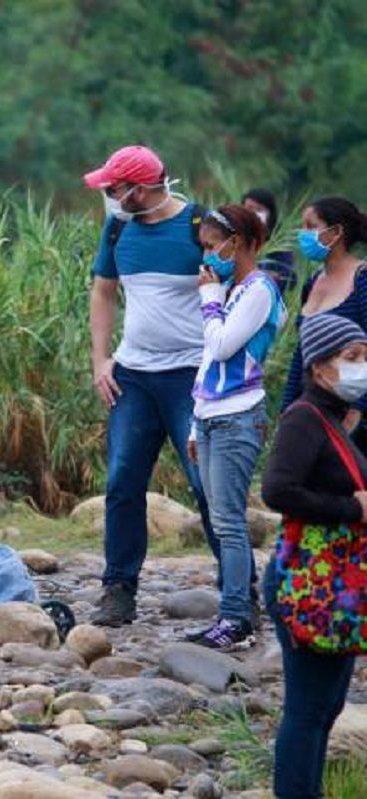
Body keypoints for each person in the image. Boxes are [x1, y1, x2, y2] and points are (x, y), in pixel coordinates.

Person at [83, 144, 217, 626]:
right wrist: (101, 360)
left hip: (192, 377)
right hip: (133, 376)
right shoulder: (118, 227)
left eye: (114, 188)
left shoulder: (200, 226)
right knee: (122, 481)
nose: (108, 195)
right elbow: (103, 290)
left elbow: (238, 287)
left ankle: (238, 589)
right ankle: (118, 589)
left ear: (141, 188)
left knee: (206, 482)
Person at [261, 314, 367, 799]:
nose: (361, 368)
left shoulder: (334, 419)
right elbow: (278, 490)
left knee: (326, 707)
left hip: (336, 584)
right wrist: (349, 508)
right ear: (321, 366)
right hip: (309, 581)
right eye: (352, 359)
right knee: (306, 709)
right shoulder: (304, 417)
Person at [185, 205, 285, 650]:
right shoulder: (232, 289)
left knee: (228, 522)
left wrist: (208, 299)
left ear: (239, 243)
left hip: (238, 416)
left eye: (212, 245)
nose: (208, 256)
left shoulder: (260, 290)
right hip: (210, 417)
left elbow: (223, 347)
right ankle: (233, 614)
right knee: (221, 517)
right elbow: (207, 363)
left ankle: (236, 618)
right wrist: (193, 422)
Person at [280, 197, 367, 448]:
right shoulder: (314, 281)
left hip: (352, 406)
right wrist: (288, 406)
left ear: (336, 232)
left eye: (311, 226)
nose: (304, 234)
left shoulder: (361, 278)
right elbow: (303, 350)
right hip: (315, 407)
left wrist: (358, 409)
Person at [242, 188, 296, 292]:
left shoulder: (277, 242)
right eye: (249, 208)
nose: (253, 213)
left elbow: (289, 278)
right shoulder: (233, 237)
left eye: (259, 210)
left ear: (270, 214)